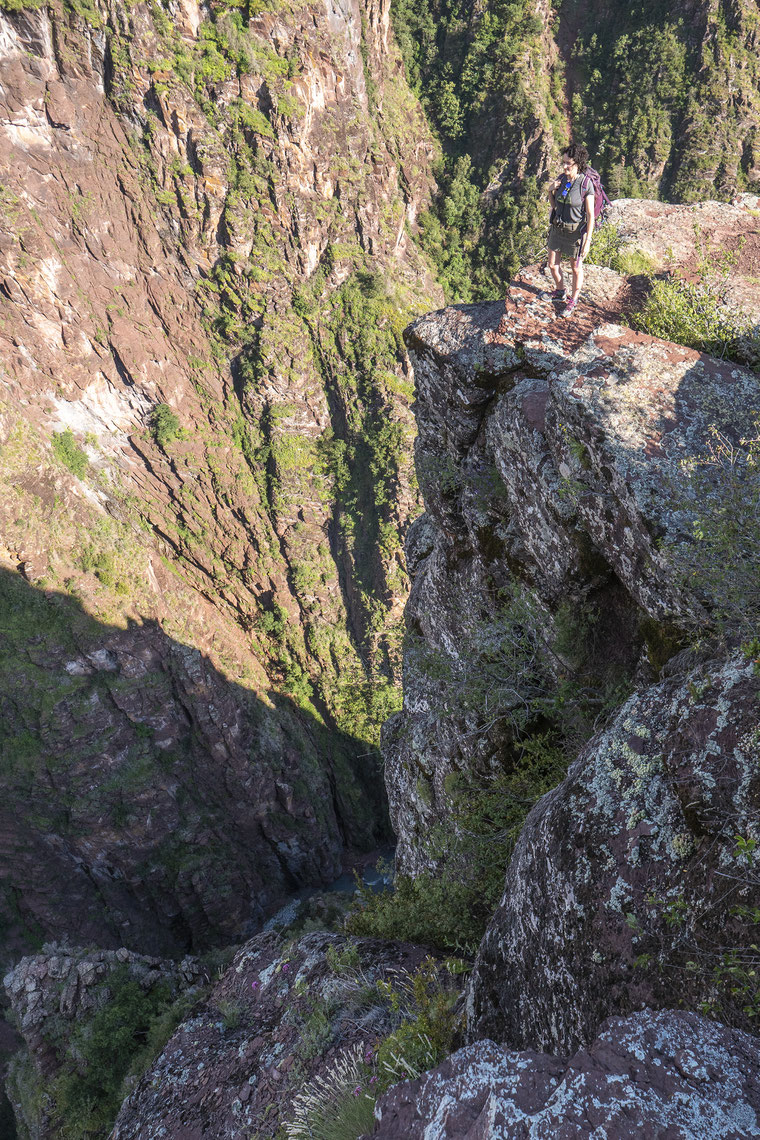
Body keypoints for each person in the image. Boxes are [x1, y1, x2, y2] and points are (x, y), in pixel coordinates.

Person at [546, 144, 595, 318]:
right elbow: (555, 205)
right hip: (558, 227)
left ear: (578, 164)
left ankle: (573, 299)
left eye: (569, 163)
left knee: (575, 268)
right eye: (564, 162)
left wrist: (587, 241)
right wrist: (551, 190)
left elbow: (590, 215)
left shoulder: (585, 184)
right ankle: (560, 291)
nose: (565, 166)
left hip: (575, 232)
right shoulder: (562, 179)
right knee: (552, 265)